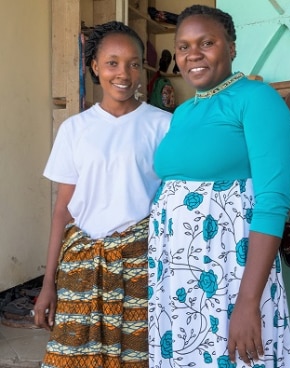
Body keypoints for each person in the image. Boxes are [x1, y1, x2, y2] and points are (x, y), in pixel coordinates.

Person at [147, 5, 290, 368]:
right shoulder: (183, 112)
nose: (192, 55)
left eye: (206, 42)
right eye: (182, 46)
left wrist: (247, 302)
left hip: (230, 273)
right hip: (178, 276)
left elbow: (273, 203)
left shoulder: (257, 100)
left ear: (231, 47)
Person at [33, 21, 172, 367]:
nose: (123, 73)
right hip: (81, 266)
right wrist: (48, 282)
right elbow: (63, 210)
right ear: (95, 66)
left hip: (141, 265)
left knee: (137, 357)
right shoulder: (75, 130)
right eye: (112, 62)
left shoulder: (163, 126)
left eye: (133, 63)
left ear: (142, 68)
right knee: (71, 357)